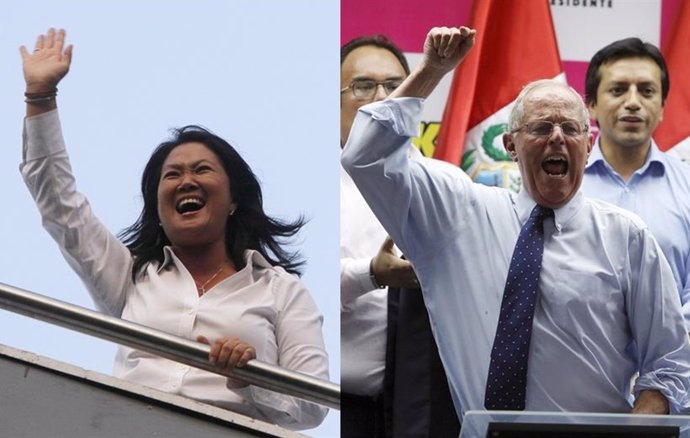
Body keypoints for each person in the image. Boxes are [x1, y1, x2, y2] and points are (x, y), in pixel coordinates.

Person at [342, 26, 690, 419]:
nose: (557, 138)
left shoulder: (627, 237)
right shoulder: (457, 217)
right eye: (542, 127)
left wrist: (633, 429)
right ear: (510, 145)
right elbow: (363, 156)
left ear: (588, 145)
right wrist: (432, 71)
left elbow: (671, 364)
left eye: (570, 129)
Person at [18, 28, 328, 430]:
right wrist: (40, 98)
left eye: (202, 170)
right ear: (160, 211)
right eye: (172, 175)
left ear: (234, 199)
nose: (186, 181)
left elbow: (314, 406)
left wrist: (251, 379)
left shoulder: (283, 291)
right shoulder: (131, 277)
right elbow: (60, 204)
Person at [341, 35, 459, 437]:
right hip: (336, 410)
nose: (382, 98)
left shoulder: (449, 185)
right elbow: (291, 289)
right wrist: (370, 274)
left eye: (395, 87)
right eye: (362, 86)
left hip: (431, 415)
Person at [581, 38, 690, 331]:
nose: (632, 102)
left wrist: (668, 349)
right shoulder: (563, 189)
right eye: (618, 90)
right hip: (581, 366)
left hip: (675, 366)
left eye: (647, 91)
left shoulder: (687, 187)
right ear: (591, 105)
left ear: (662, 107)